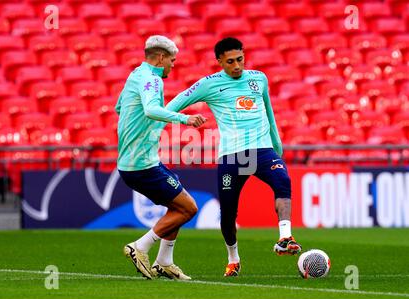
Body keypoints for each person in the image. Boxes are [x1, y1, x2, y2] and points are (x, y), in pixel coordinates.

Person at [166, 37, 302, 277]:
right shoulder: (208, 84)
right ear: (219, 61)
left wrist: (277, 144)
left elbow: (269, 112)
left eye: (240, 59)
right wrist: (173, 119)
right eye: (230, 61)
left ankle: (285, 237)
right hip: (232, 156)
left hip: (262, 151)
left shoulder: (258, 79)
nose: (237, 65)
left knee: (283, 181)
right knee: (228, 214)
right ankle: (233, 258)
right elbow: (177, 102)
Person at [115, 35, 207, 280]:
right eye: (172, 60)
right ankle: (140, 247)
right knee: (189, 208)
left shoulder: (135, 75)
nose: (173, 65)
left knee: (177, 206)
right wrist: (185, 119)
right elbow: (151, 110)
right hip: (141, 164)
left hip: (139, 161)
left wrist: (139, 130)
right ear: (160, 58)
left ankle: (164, 262)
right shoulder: (152, 80)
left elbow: (118, 108)